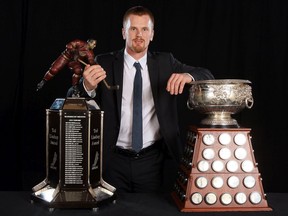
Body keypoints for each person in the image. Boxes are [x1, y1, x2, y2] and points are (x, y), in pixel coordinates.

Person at [67, 6, 214, 193]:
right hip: (111, 160)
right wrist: (87, 86)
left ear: (152, 34)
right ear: (123, 32)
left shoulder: (166, 62)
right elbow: (72, 98)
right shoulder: (103, 62)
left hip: (153, 162)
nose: (139, 34)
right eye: (133, 29)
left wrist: (187, 76)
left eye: (144, 29)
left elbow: (207, 75)